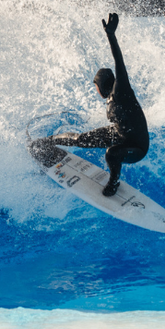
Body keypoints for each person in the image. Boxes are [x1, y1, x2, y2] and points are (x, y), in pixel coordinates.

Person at [29, 13, 149, 197]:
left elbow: (119, 62)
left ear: (102, 84)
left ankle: (114, 183)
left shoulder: (121, 90)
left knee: (112, 154)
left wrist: (111, 35)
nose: (95, 90)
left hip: (137, 147)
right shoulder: (110, 96)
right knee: (80, 139)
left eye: (95, 86)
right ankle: (47, 142)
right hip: (120, 133)